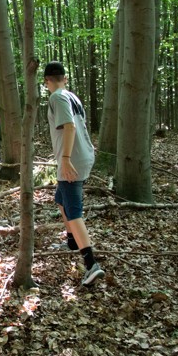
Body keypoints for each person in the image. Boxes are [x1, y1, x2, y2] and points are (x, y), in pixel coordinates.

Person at [44, 61, 105, 286]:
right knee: (60, 199)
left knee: (73, 210)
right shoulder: (71, 96)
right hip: (83, 155)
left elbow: (69, 126)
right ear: (65, 78)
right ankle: (71, 241)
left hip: (73, 160)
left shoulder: (57, 97)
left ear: (46, 81)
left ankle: (91, 265)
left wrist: (66, 159)